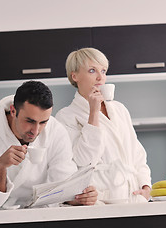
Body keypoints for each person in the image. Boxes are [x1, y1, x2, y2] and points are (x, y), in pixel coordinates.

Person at [0, 81, 97, 210]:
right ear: (13, 111)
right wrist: (0, 166)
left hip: (41, 213)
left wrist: (80, 198)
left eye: (43, 122)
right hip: (2, 214)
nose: (36, 131)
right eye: (30, 121)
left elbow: (64, 184)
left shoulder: (56, 131)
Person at [56, 48, 152, 203]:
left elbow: (137, 154)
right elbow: (82, 161)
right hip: (101, 200)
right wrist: (93, 113)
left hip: (134, 197)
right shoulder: (66, 116)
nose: (100, 77)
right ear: (75, 76)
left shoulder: (120, 110)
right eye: (92, 70)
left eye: (103, 71)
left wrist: (146, 186)